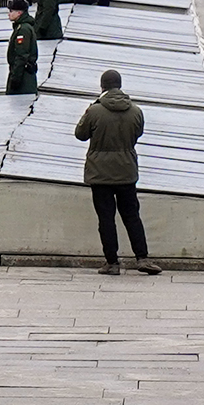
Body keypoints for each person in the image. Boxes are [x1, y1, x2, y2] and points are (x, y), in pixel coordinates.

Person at [75, 68, 162, 275]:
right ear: (120, 86)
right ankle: (142, 258)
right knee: (132, 215)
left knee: (106, 218)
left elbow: (80, 134)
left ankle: (112, 263)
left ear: (102, 86)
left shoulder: (94, 111)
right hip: (126, 171)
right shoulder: (135, 111)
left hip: (100, 174)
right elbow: (137, 134)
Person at [5, 4, 37, 96]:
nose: (9, 14)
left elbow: (22, 56)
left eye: (11, 11)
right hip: (23, 75)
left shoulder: (23, 30)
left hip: (23, 78)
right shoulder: (22, 27)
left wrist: (15, 79)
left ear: (19, 13)